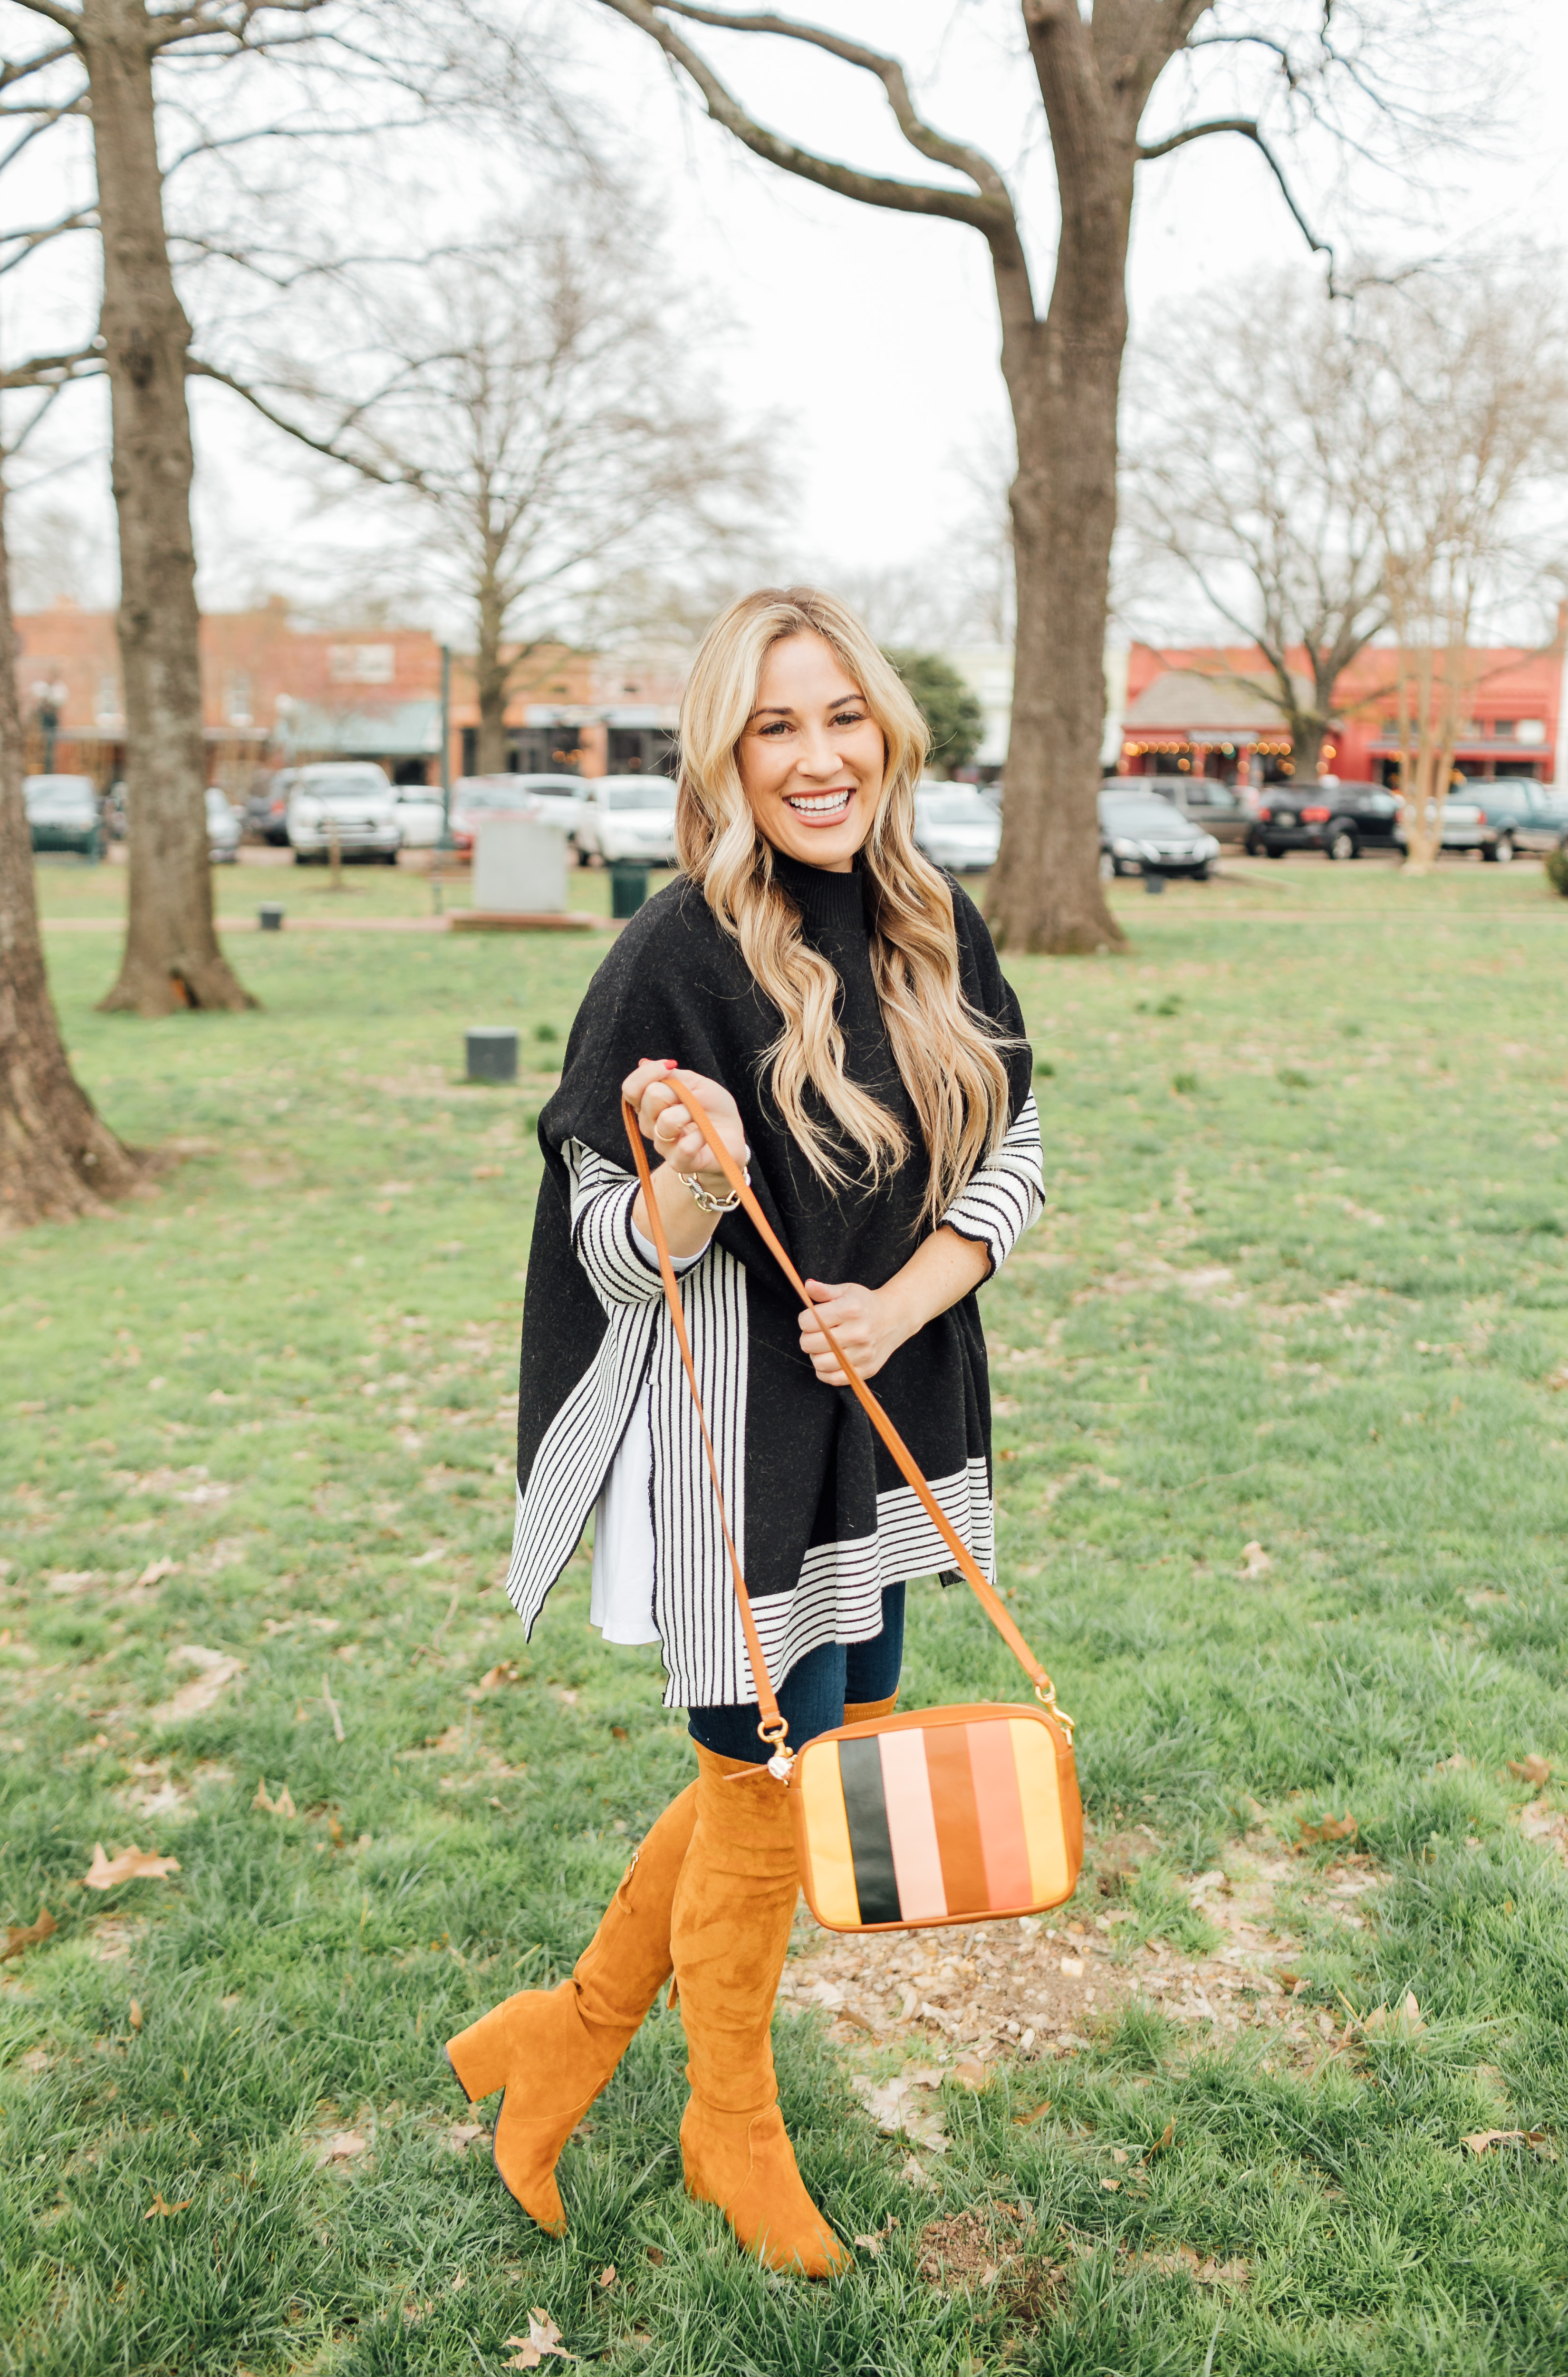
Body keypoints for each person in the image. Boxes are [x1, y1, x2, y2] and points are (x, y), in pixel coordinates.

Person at [445, 588, 1044, 2276]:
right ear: (726, 755)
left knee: (795, 1765)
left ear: (888, 732)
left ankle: (561, 2036)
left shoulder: (933, 921)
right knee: (765, 1779)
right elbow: (600, 1249)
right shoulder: (671, 956)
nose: (819, 757)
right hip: (738, 1458)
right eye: (775, 726)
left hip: (898, 1414)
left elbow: (1020, 1161)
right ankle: (730, 2126)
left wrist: (903, 1305)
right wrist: (691, 1196)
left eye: (841, 716)